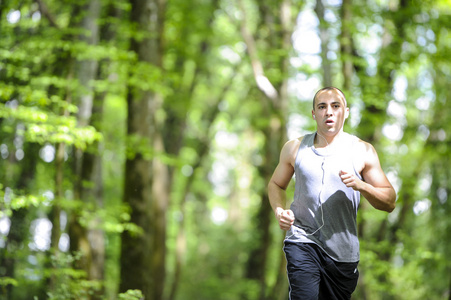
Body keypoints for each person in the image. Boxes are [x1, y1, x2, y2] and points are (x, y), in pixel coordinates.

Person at [267, 87, 396, 300]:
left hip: (343, 255)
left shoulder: (362, 151)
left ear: (346, 112)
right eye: (322, 106)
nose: (329, 111)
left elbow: (389, 201)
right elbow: (275, 184)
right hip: (302, 241)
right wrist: (280, 210)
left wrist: (362, 185)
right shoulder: (294, 148)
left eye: (336, 106)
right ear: (314, 113)